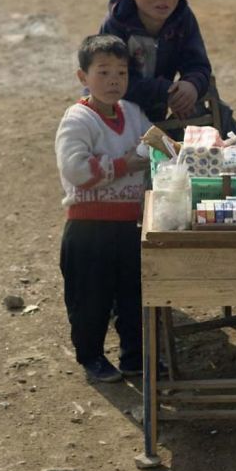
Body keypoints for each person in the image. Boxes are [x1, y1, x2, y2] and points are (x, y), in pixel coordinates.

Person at [55, 34, 152, 383]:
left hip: (128, 225)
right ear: (83, 77)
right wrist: (125, 164)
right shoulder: (78, 120)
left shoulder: (133, 113)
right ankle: (91, 356)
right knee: (89, 299)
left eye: (122, 73)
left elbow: (151, 146)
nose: (114, 81)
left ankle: (133, 356)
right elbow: (77, 170)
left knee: (131, 294)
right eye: (104, 72)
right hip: (88, 228)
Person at [98, 0, 212, 126]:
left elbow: (198, 64)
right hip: (112, 114)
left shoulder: (182, 19)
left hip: (157, 110)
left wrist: (191, 85)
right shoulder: (116, 25)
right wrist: (166, 90)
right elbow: (114, 81)